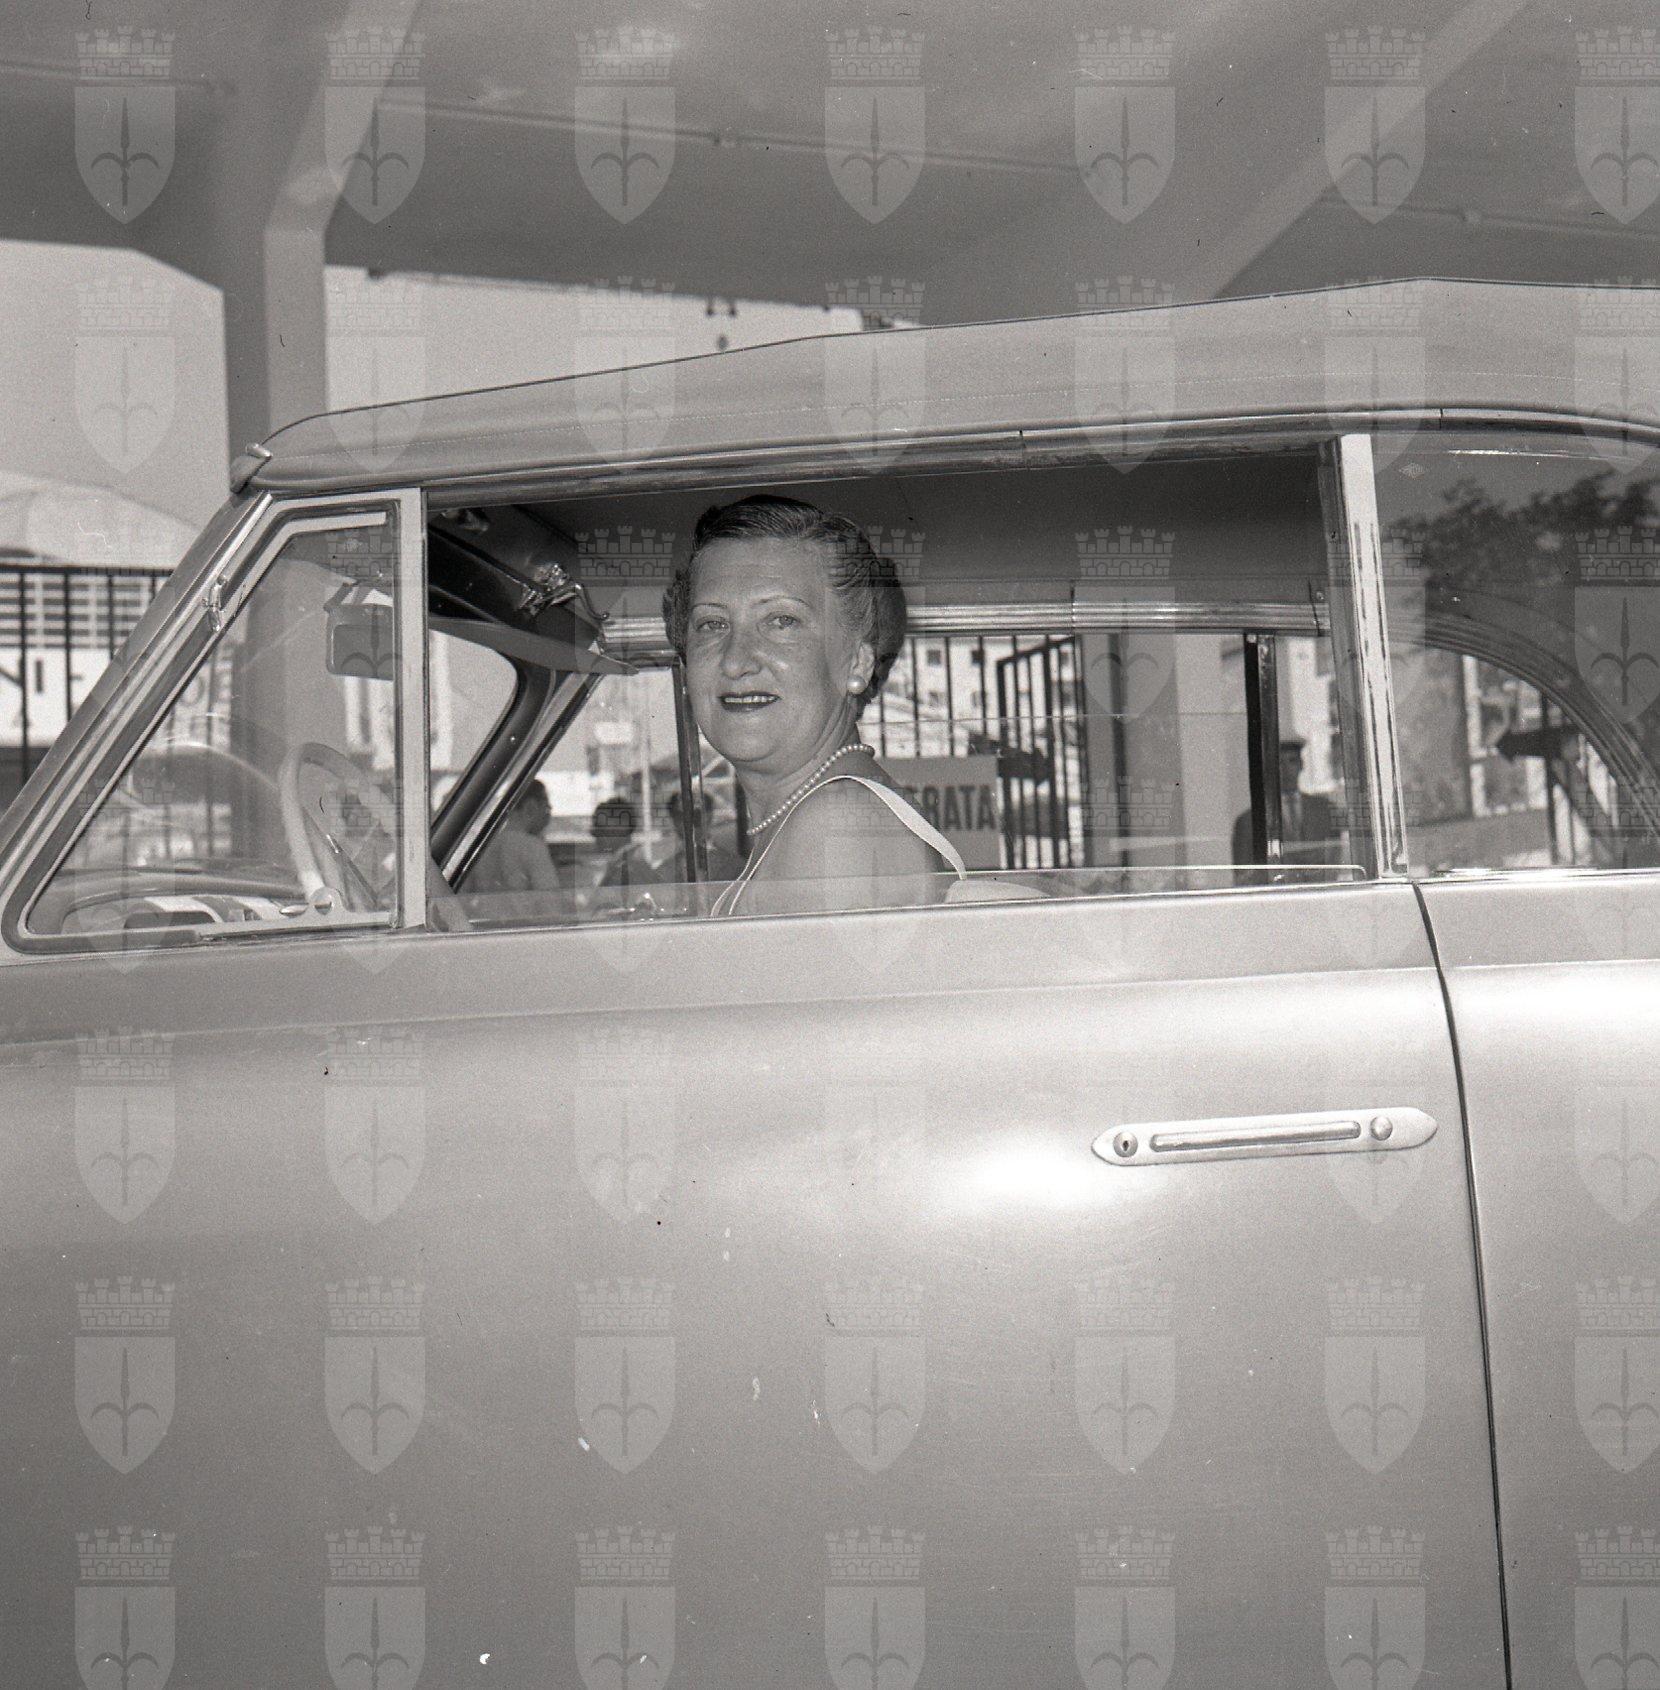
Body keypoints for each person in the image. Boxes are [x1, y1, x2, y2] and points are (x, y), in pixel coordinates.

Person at [661, 493, 965, 916]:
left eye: (782, 621)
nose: (735, 661)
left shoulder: (833, 822)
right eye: (712, 624)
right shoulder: (816, 814)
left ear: (857, 662)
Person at [1231, 734, 1341, 879]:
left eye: (1292, 761)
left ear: (1301, 765)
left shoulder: (1325, 809)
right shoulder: (1248, 821)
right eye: (1279, 763)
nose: (1286, 769)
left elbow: (1336, 859)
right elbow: (1243, 874)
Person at [467, 778, 563, 916]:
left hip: (486, 925)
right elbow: (551, 905)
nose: (548, 816)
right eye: (546, 808)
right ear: (530, 806)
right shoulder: (532, 847)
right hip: (524, 926)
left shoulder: (484, 846)